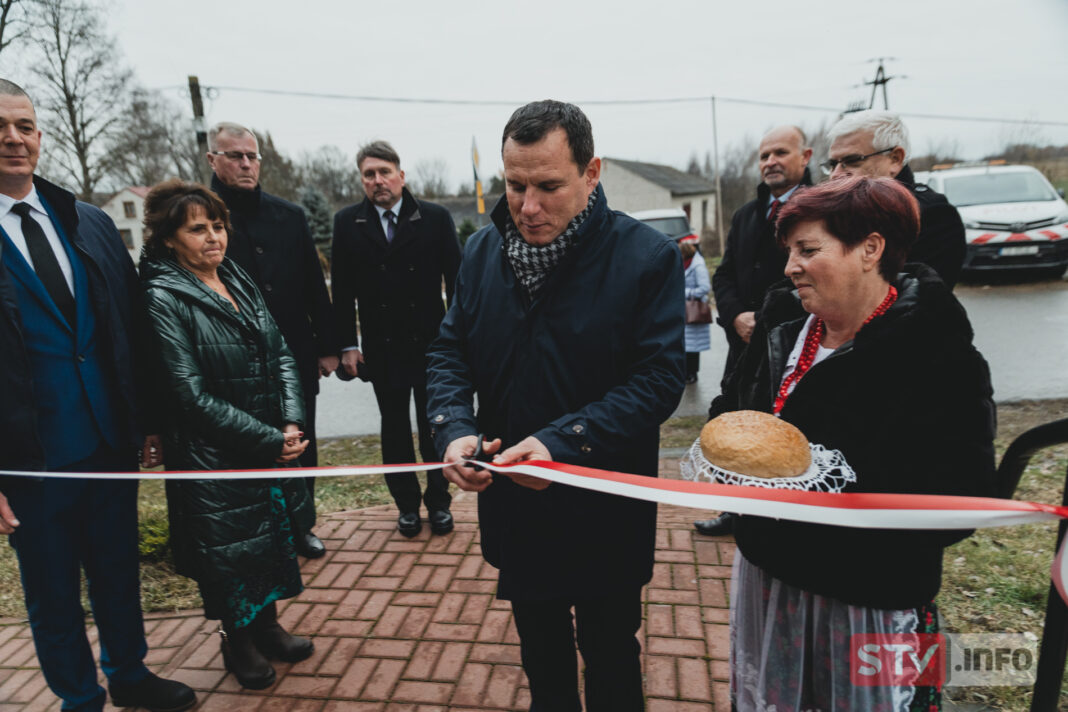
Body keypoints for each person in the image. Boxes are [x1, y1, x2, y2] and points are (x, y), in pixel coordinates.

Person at [426, 100, 685, 712]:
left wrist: (565, 439)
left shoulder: (646, 257)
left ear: (591, 173)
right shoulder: (481, 253)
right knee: (540, 649)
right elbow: (449, 352)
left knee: (610, 650)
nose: (527, 206)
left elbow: (659, 379)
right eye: (514, 185)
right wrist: (454, 429)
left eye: (548, 185)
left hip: (604, 502)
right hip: (518, 505)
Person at [718, 176, 995, 711]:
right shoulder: (782, 324)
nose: (790, 266)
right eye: (788, 251)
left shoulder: (936, 350)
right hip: (771, 578)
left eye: (808, 249)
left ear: (871, 248)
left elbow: (963, 498)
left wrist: (828, 485)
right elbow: (732, 410)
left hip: (868, 595)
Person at [0, 80, 195, 712]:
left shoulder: (87, 221)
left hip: (109, 439)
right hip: (29, 458)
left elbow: (128, 331)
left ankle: (130, 674)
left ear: (39, 134)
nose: (13, 138)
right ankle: (79, 697)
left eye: (25, 125)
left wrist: (149, 422)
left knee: (117, 571)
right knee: (51, 590)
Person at [139, 179, 317, 690]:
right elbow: (187, 395)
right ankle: (237, 641)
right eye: (198, 229)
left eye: (218, 226)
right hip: (213, 457)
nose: (214, 237)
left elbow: (281, 351)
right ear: (169, 239)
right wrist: (266, 439)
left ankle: (268, 626)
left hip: (264, 444)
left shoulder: (235, 276)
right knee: (230, 557)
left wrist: (289, 422)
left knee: (266, 544)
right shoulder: (162, 296)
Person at [207, 122, 338, 559]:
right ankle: (259, 532)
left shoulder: (289, 216)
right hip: (230, 362)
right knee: (250, 447)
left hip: (295, 356)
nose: (246, 163)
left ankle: (302, 526)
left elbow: (313, 287)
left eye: (252, 156)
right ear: (213, 160)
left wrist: (327, 345)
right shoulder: (200, 216)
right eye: (234, 156)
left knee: (302, 443)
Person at [332, 140, 461, 538]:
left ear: (401, 176)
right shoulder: (348, 222)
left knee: (435, 427)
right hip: (382, 347)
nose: (378, 180)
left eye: (384, 172)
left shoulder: (435, 218)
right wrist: (347, 346)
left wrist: (461, 340)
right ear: (362, 181)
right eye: (369, 174)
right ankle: (406, 506)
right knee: (393, 431)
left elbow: (457, 282)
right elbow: (342, 290)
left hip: (432, 345)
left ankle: (439, 502)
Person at [694, 125, 812, 537]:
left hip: (793, 346)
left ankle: (785, 512)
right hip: (743, 347)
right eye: (764, 156)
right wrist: (735, 317)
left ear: (806, 157)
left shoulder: (820, 211)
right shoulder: (746, 214)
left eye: (780, 152)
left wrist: (766, 321)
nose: (770, 162)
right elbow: (723, 275)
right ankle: (734, 510)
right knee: (738, 424)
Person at [824, 109, 966, 288]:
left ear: (895, 159)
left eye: (852, 161)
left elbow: (920, 298)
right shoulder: (829, 214)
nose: (836, 174)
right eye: (832, 165)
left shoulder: (932, 217)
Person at [680, 239, 711, 383]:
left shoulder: (697, 266)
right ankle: (687, 373)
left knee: (693, 346)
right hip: (686, 309)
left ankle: (692, 374)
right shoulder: (687, 264)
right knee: (687, 344)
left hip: (694, 309)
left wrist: (684, 292)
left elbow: (704, 288)